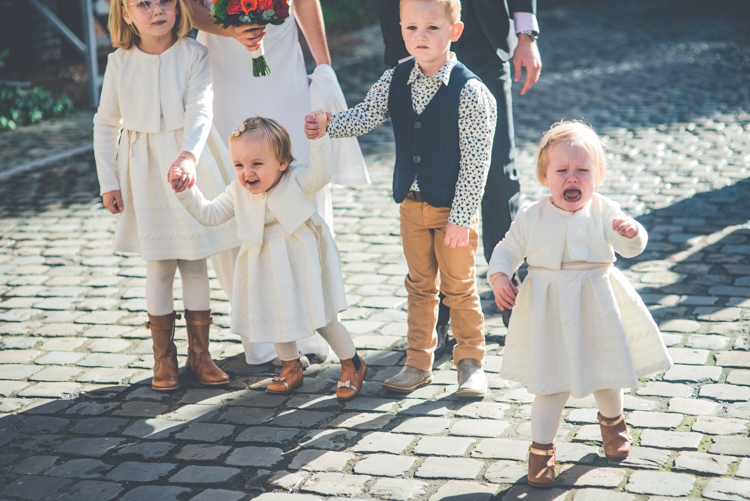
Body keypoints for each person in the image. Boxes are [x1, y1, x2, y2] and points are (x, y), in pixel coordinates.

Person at [306, 0, 494, 398]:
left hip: (452, 210)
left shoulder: (470, 91)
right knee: (419, 285)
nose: (420, 37)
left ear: (454, 32)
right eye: (411, 29)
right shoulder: (396, 78)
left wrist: (462, 218)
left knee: (458, 286)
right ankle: (417, 362)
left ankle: (470, 362)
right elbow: (366, 115)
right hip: (411, 203)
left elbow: (477, 163)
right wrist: (329, 125)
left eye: (431, 28)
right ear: (401, 29)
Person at [488, 121, 673, 487]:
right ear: (545, 175)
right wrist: (499, 275)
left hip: (596, 302)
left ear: (597, 176)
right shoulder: (531, 215)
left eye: (582, 170)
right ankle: (541, 449)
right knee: (550, 381)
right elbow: (507, 249)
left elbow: (629, 245)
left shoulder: (604, 211)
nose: (572, 178)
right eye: (562, 170)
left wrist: (632, 233)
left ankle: (613, 423)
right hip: (549, 307)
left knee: (607, 370)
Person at [375, 0, 542, 351]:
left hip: (482, 36)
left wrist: (525, 33)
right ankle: (436, 319)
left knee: (497, 172)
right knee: (430, 173)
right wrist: (405, 47)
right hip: (419, 41)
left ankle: (510, 295)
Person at [93, 0, 238, 391]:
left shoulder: (194, 54)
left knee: (194, 261)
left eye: (165, 1)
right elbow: (106, 122)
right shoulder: (119, 63)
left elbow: (201, 110)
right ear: (125, 14)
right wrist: (109, 180)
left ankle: (200, 354)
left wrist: (189, 155)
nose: (157, 10)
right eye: (143, 4)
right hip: (143, 171)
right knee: (158, 264)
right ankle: (163, 358)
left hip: (187, 164)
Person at [168, 116, 367, 400]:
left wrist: (319, 140)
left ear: (282, 163)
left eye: (256, 164)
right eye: (239, 165)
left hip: (302, 257)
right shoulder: (238, 191)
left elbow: (321, 175)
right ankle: (291, 367)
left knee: (322, 315)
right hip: (264, 259)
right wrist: (186, 192)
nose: (246, 172)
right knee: (277, 313)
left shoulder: (297, 178)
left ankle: (353, 364)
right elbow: (209, 214)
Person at [187, 0, 335, 365]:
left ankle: (313, 323)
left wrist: (324, 65)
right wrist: (231, 29)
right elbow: (192, 9)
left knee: (297, 176)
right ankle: (261, 331)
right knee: (237, 185)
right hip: (223, 64)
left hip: (282, 59)